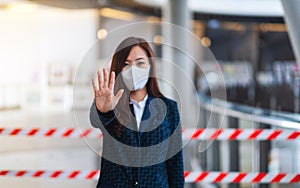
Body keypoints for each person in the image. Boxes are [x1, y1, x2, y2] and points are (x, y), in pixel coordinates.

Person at [89, 37, 184, 188]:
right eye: (126, 64)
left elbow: (175, 163)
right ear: (119, 69)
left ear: (150, 67)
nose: (133, 69)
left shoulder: (169, 108)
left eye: (140, 63)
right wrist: (104, 111)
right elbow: (96, 119)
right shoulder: (112, 105)